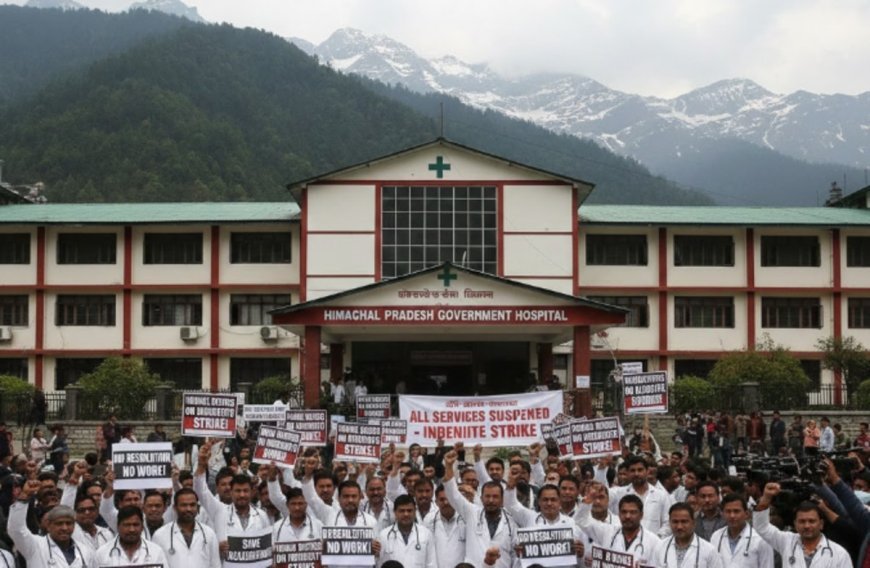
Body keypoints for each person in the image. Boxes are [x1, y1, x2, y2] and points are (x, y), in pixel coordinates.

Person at [442, 448, 517, 568]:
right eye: (487, 496)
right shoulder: (472, 512)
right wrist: (449, 466)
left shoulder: (511, 520)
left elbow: (515, 553)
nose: (491, 500)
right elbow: (453, 494)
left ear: (502, 500)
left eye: (495, 497)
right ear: (481, 498)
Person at [752, 482, 852, 568]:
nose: (807, 526)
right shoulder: (786, 541)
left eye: (812, 521)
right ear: (795, 524)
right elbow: (762, 527)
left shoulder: (839, 554)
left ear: (821, 524)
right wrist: (766, 498)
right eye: (802, 521)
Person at [10, 479, 96, 567]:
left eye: (69, 523)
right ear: (48, 525)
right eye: (59, 523)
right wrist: (24, 497)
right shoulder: (34, 545)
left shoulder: (85, 551)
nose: (64, 528)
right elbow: (17, 530)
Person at [577, 489, 661, 566]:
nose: (627, 516)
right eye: (624, 512)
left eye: (633, 512)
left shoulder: (654, 542)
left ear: (641, 515)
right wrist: (586, 503)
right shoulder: (607, 532)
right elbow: (581, 520)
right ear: (619, 514)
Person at [151, 488, 222, 568]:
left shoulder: (209, 534)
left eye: (192, 505)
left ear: (197, 507)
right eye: (184, 505)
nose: (188, 509)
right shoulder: (160, 535)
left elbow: (216, 565)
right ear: (175, 508)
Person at [608, 455, 673, 535]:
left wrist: (656, 539)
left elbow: (668, 523)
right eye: (632, 470)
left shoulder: (661, 495)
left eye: (640, 470)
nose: (636, 474)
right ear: (628, 473)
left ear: (647, 471)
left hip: (653, 544)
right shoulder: (619, 494)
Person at [709, 493, 773, 567]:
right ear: (723, 514)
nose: (732, 516)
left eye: (736, 511)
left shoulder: (761, 539)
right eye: (728, 511)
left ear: (746, 514)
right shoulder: (716, 536)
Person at [375, 494, 437, 568]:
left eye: (409, 510)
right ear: (395, 512)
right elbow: (379, 564)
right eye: (402, 511)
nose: (406, 514)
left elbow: (431, 564)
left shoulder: (426, 534)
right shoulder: (384, 535)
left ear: (415, 512)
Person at [655, 503, 724, 568]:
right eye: (675, 522)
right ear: (669, 523)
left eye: (684, 521)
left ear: (693, 523)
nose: (679, 527)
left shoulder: (709, 550)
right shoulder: (660, 547)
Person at [95, 505, 169, 566]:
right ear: (118, 527)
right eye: (127, 525)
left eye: (136, 525)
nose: (132, 529)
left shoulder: (156, 551)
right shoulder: (102, 553)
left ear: (142, 527)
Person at [424, 484, 466, 568]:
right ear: (436, 502)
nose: (446, 502)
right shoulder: (429, 519)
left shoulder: (465, 519)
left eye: (449, 499)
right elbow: (427, 550)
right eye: (442, 499)